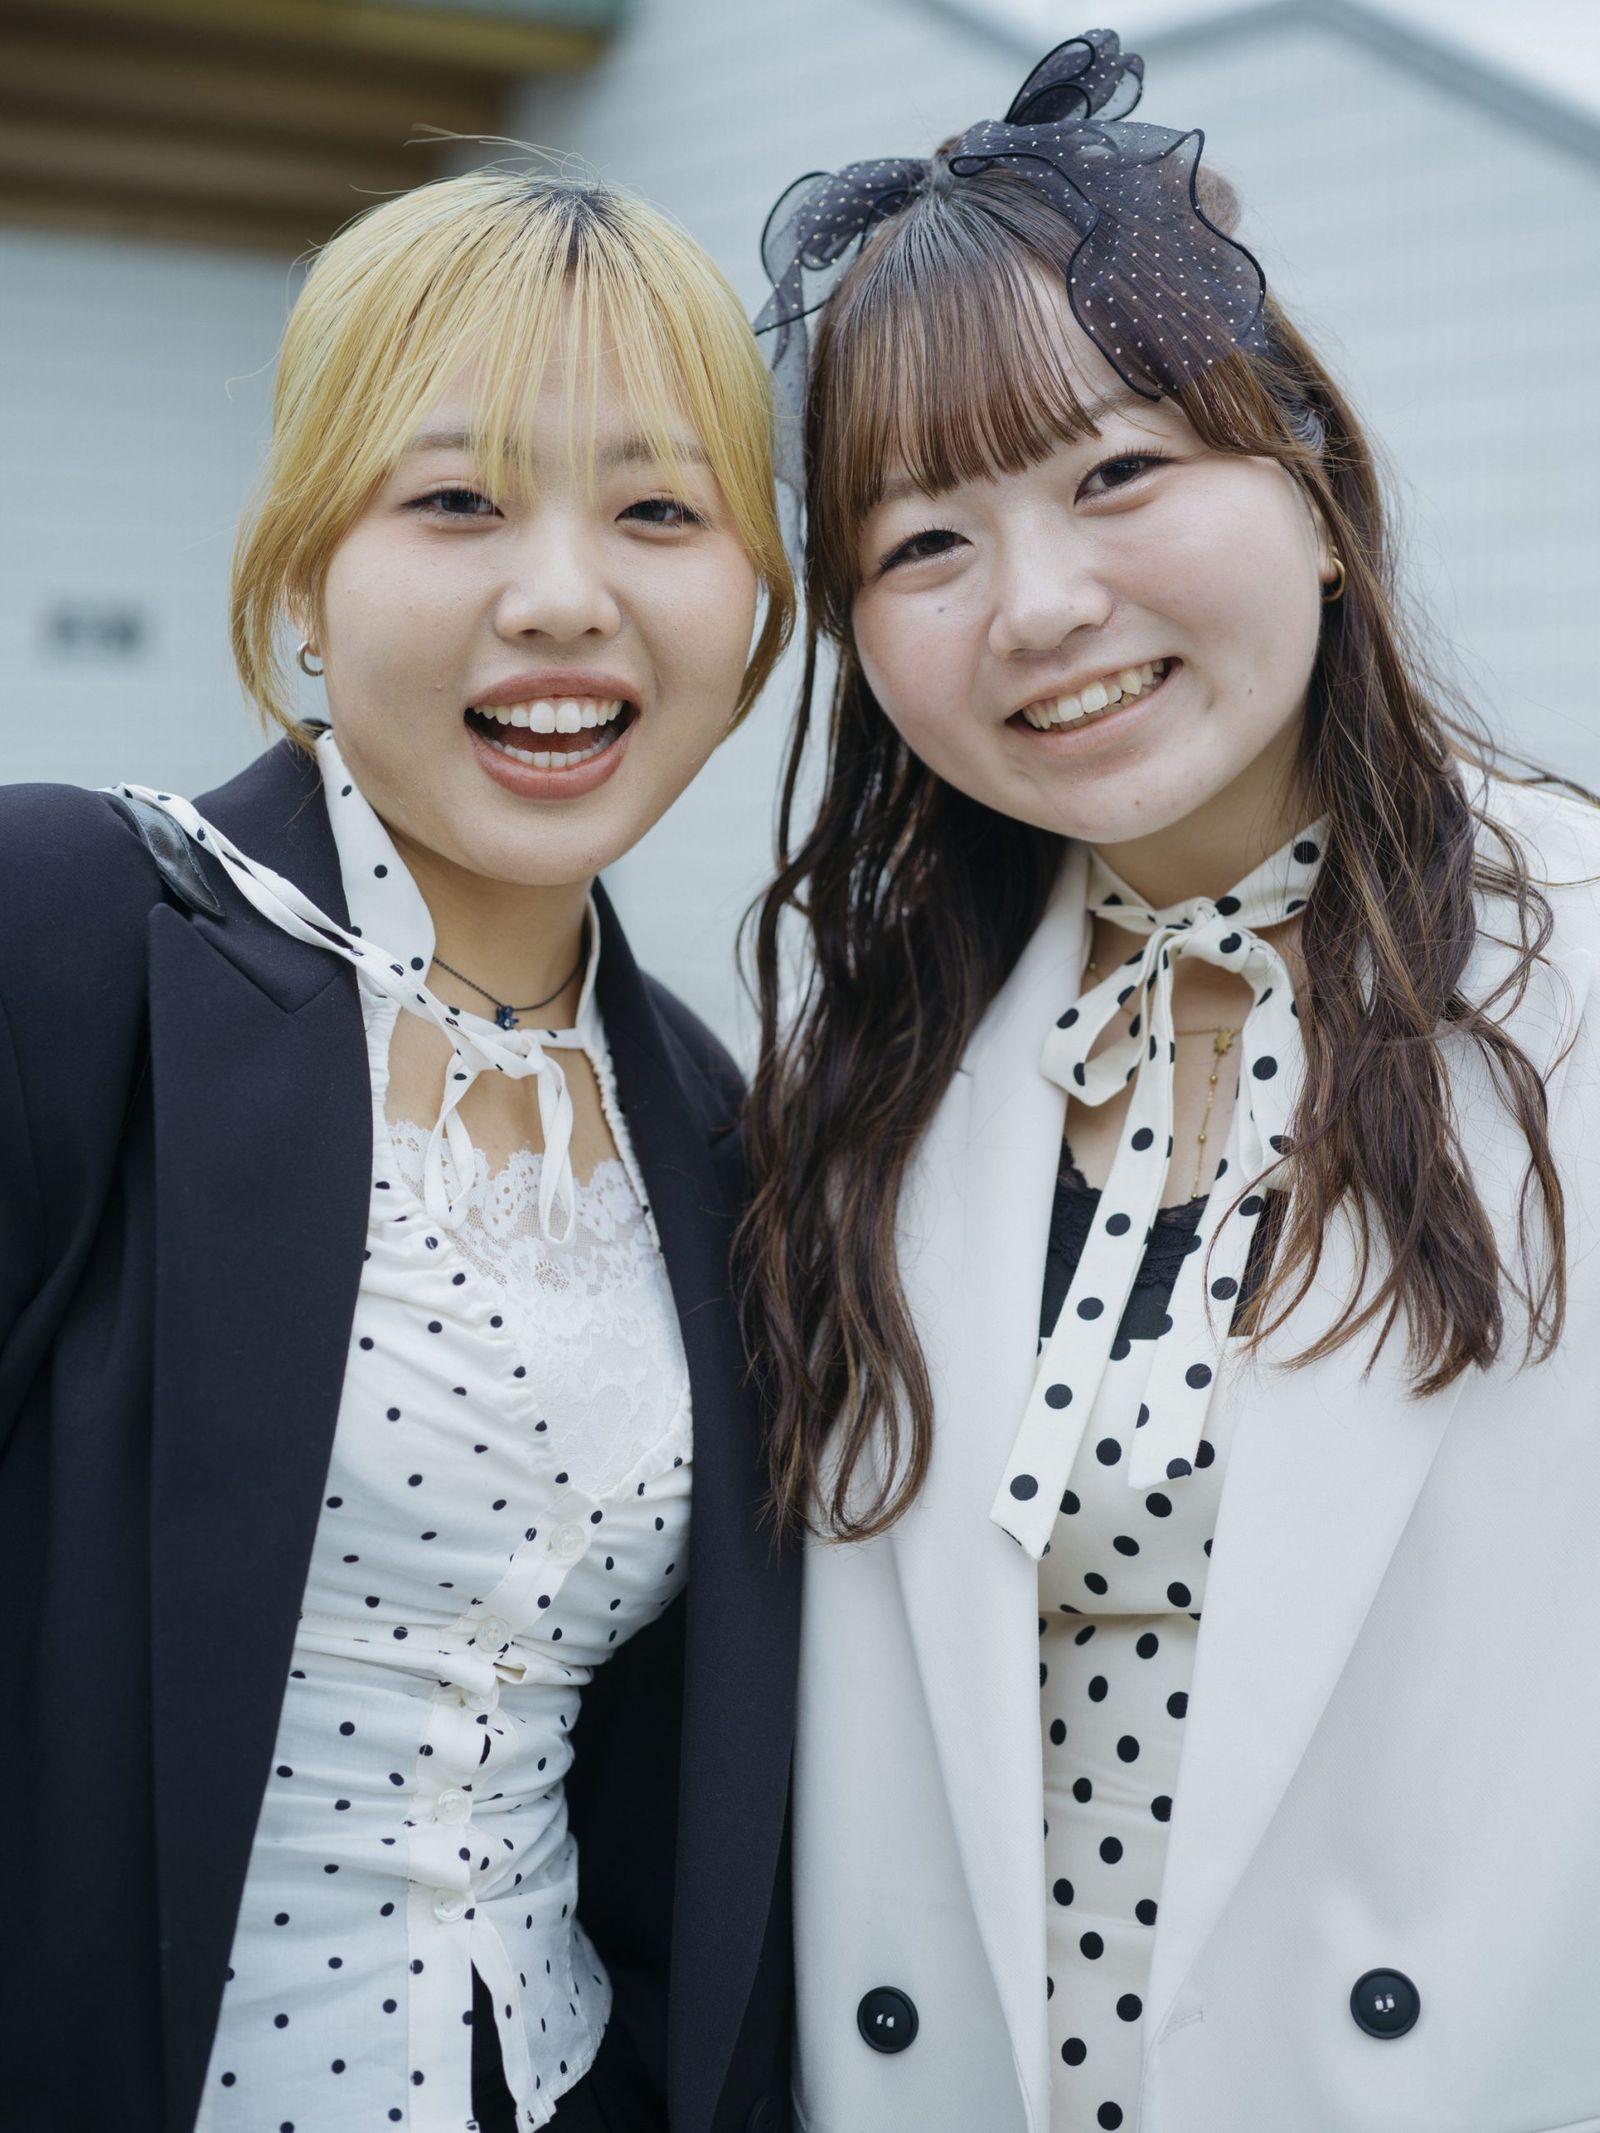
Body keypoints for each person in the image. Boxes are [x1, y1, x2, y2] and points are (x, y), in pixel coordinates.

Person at [742, 30, 1600, 2133]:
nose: (1040, 605)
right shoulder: (870, 1062)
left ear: (1314, 486)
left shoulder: (1574, 970)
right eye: (921, 543)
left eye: (1115, 472)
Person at [0, 168, 798, 2133]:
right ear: (301, 571)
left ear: (758, 597)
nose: (562, 594)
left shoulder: (715, 1126)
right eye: (455, 500)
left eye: (658, 511)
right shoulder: (70, 930)